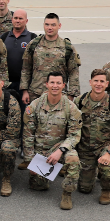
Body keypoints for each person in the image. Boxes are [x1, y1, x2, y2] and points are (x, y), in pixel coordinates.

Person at [22, 72, 83, 210]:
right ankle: (48, 173)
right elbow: (28, 133)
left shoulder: (71, 107)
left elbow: (75, 135)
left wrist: (60, 151)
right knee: (38, 186)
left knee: (73, 159)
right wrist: (30, 160)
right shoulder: (36, 105)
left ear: (63, 85)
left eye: (58, 83)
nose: (55, 86)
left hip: (60, 148)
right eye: (52, 83)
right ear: (47, 84)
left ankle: (67, 194)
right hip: (41, 149)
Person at [74, 69, 110, 205]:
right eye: (96, 81)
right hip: (85, 149)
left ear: (107, 84)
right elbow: (71, 126)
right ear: (90, 82)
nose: (98, 84)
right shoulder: (80, 101)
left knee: (106, 167)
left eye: (102, 81)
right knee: (84, 189)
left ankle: (106, 189)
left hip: (104, 147)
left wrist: (109, 153)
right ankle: (93, 170)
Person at [20, 13, 81, 105]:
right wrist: (24, 91)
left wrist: (71, 95)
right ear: (44, 25)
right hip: (36, 94)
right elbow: (26, 68)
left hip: (59, 95)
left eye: (53, 25)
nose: (50, 27)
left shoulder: (67, 47)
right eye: (47, 24)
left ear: (59, 26)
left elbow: (73, 72)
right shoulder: (34, 44)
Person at [1, 9, 35, 94]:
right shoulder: (4, 37)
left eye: (20, 18)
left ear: (26, 21)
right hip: (6, 84)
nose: (17, 21)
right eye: (15, 18)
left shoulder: (33, 38)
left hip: (25, 86)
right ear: (12, 19)